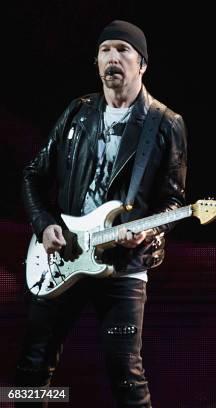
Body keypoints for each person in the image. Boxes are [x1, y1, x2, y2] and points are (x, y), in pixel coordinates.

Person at [18, 20, 187, 407]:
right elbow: (32, 174)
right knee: (31, 368)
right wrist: (44, 225)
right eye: (105, 50)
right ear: (96, 62)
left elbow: (173, 202)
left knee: (125, 375)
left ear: (142, 64)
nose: (113, 58)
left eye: (123, 50)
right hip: (62, 255)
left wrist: (148, 233)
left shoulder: (165, 123)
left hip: (124, 263)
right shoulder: (78, 112)